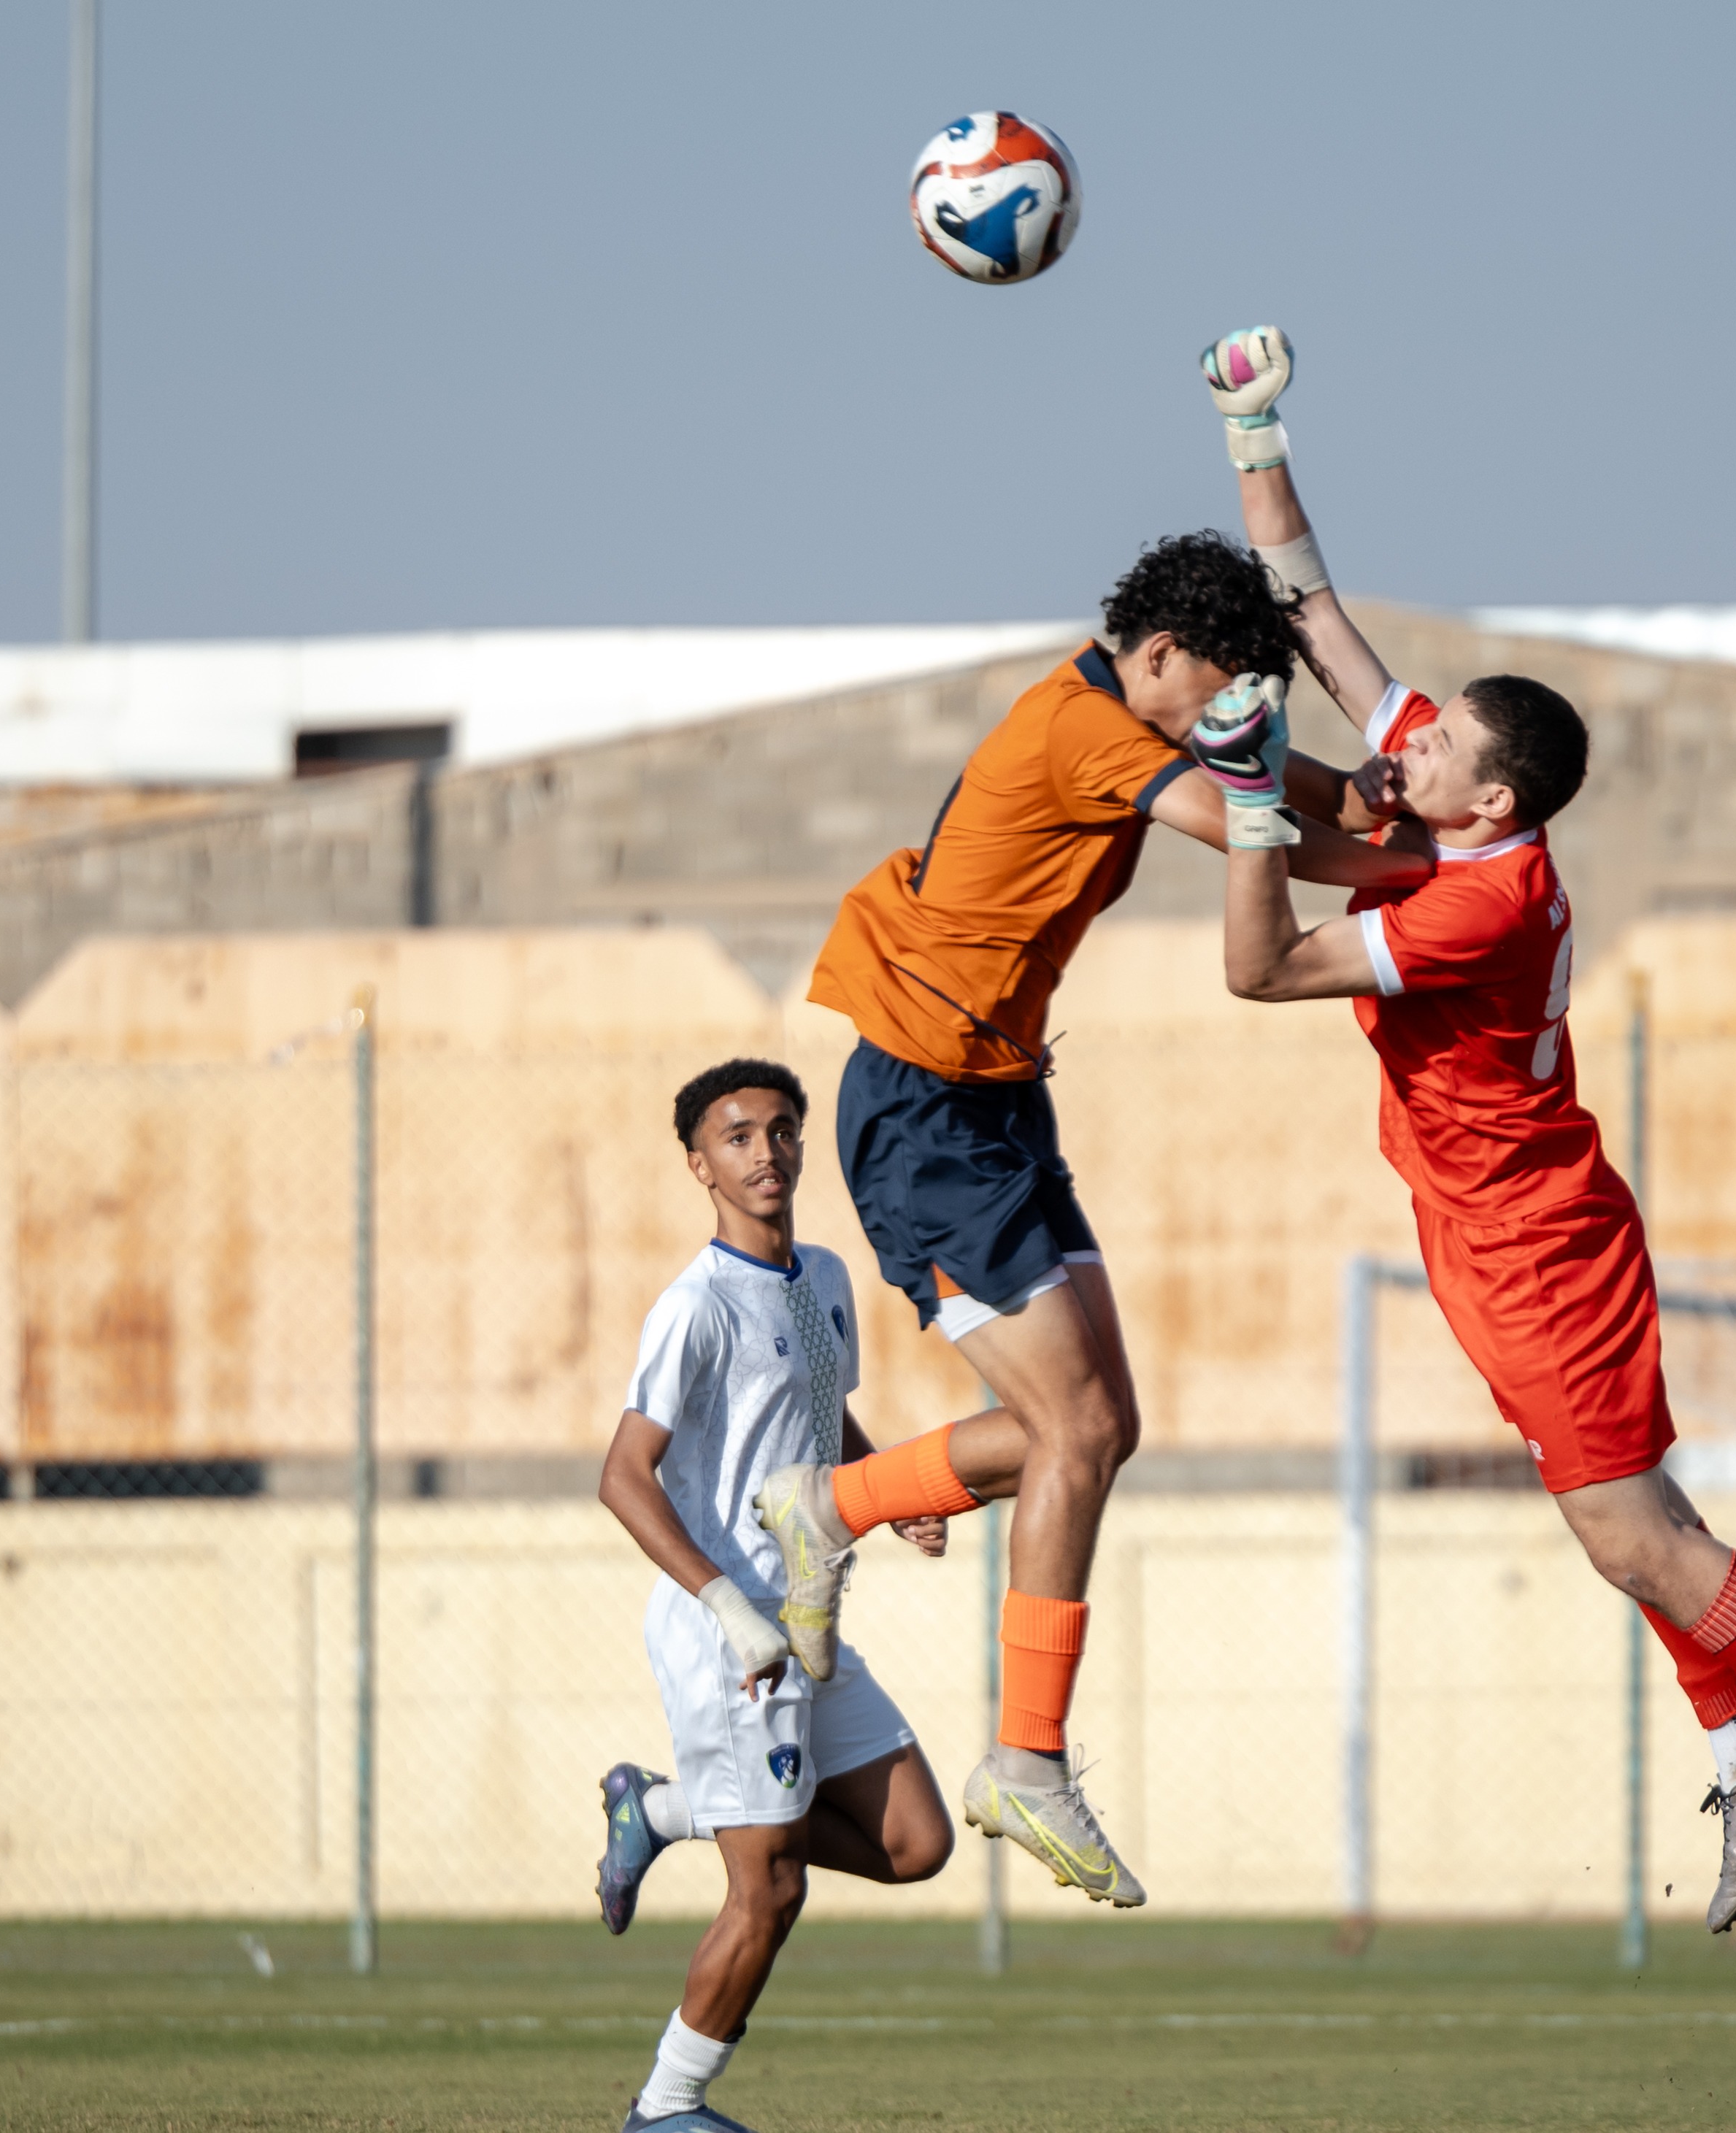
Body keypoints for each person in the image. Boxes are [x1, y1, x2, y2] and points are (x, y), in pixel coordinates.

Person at [1183, 324, 1736, 1942]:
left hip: (1537, 1246)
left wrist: (1251, 804)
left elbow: (1256, 969)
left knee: (1635, 1535)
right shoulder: (1451, 830)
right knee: (1624, 1536)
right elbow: (1315, 613)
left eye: (1441, 745)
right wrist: (1255, 429)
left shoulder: (1476, 902)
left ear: (1493, 800)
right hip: (1489, 1233)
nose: (1413, 743)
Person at [751, 539, 1430, 1910]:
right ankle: (1025, 1760)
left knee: (1100, 1426)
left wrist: (1351, 794)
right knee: (1071, 1431)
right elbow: (1245, 826)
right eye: (1213, 698)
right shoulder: (1089, 730)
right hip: (926, 1114)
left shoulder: (1122, 710)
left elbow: (1261, 786)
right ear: (1163, 656)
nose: (1210, 722)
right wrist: (1409, 871)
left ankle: (830, 1505)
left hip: (995, 1100)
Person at [591, 1060, 957, 2133]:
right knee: (773, 1887)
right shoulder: (695, 1305)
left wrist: (890, 1494)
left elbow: (819, 1419)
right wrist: (727, 1603)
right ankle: (665, 2110)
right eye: (738, 1136)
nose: (766, 1151)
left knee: (916, 1844)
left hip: (809, 1617)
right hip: (730, 1635)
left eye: (781, 1130)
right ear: (699, 1165)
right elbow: (622, 1473)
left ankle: (657, 1808)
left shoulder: (826, 1276)